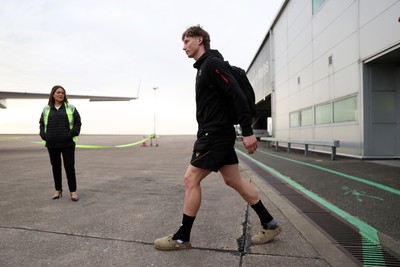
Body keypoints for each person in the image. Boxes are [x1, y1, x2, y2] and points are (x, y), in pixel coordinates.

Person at [154, 25, 281, 250]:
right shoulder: (203, 67)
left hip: (214, 134)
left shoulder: (212, 64)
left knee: (190, 180)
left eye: (186, 42)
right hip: (216, 133)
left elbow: (237, 94)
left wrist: (248, 131)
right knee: (234, 180)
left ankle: (182, 237)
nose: (183, 47)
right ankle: (269, 224)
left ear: (199, 40)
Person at [39, 85, 82, 202]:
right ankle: (58, 190)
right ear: (53, 94)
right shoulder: (46, 109)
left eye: (62, 92)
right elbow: (41, 124)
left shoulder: (71, 108)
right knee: (56, 167)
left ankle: (73, 191)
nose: (61, 94)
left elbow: (78, 123)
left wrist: (71, 134)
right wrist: (44, 136)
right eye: (58, 92)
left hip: (67, 143)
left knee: (69, 167)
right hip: (52, 143)